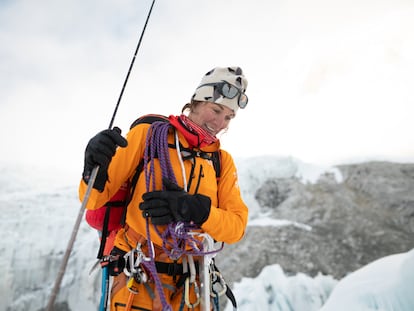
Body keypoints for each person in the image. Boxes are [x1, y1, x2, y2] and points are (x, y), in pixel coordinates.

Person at [79, 66, 249, 311]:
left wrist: (197, 210)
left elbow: (236, 228)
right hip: (137, 273)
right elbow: (93, 200)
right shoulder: (148, 135)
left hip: (192, 281)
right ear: (198, 102)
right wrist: (93, 168)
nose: (220, 122)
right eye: (216, 110)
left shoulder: (221, 161)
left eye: (229, 117)